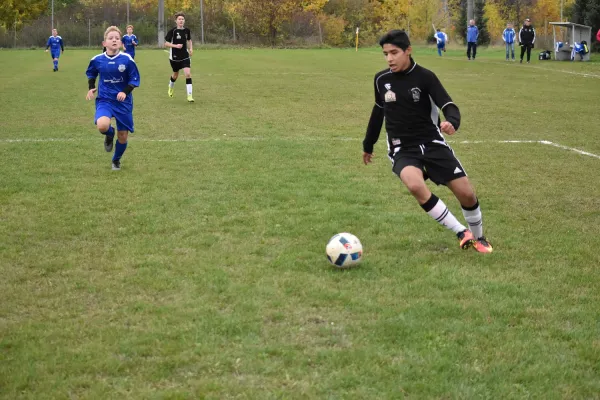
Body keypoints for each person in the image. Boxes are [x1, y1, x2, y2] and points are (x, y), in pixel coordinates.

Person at [362, 29, 493, 253]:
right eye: (385, 54)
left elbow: (448, 104)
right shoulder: (381, 80)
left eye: (394, 53)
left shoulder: (426, 77)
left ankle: (479, 238)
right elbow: (378, 112)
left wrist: (452, 121)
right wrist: (368, 144)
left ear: (408, 51)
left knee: (466, 193)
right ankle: (462, 232)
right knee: (414, 184)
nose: (389, 59)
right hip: (402, 147)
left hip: (432, 142)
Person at [86, 26, 140, 171]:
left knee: (122, 136)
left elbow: (134, 78)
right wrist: (91, 87)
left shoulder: (127, 59)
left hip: (123, 102)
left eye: (117, 38)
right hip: (105, 99)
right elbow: (91, 73)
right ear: (104, 43)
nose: (114, 40)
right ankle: (109, 135)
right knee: (102, 125)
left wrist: (125, 91)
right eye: (111, 38)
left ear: (121, 43)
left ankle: (116, 160)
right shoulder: (97, 60)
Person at [165, 12, 194, 102]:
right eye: (179, 19)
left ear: (184, 21)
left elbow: (189, 40)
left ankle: (189, 96)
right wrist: (175, 46)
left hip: (185, 56)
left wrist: (191, 49)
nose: (181, 20)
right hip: (174, 57)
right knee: (175, 75)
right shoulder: (172, 31)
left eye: (182, 19)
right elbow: (166, 43)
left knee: (188, 74)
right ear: (176, 21)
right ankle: (170, 87)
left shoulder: (187, 31)